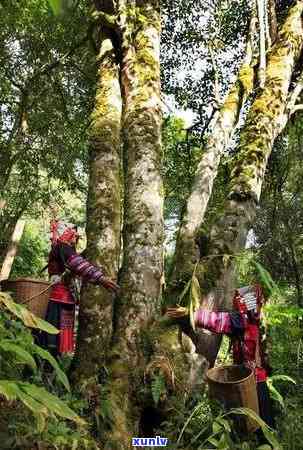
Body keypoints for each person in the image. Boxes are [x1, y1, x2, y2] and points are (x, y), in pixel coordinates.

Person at [166, 284, 274, 429]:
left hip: (251, 381)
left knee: (258, 422)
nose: (236, 303)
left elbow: (217, 321)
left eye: (239, 300)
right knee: (260, 421)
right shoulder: (255, 320)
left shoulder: (243, 321)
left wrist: (191, 314)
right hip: (254, 377)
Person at [40, 220, 119, 357]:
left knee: (55, 336)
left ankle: (46, 370)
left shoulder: (60, 249)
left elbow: (75, 264)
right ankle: (45, 371)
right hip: (59, 299)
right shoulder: (62, 247)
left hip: (62, 299)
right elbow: (76, 263)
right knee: (52, 337)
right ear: (67, 233)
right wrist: (100, 278)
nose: (76, 239)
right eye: (74, 235)